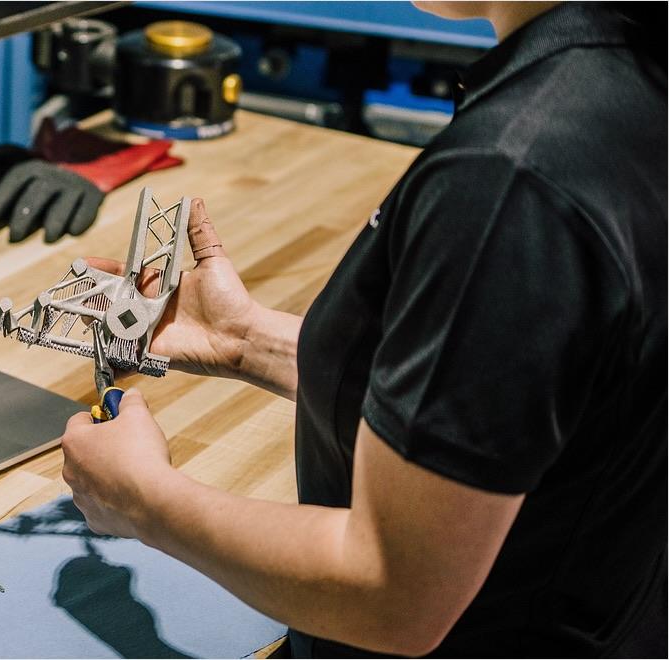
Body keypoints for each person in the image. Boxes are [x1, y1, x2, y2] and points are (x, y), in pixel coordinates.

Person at [58, 2, 666, 656]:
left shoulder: (509, 172)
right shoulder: (623, 84)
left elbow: (391, 594)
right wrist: (245, 342)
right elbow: (507, 397)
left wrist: (142, 500)